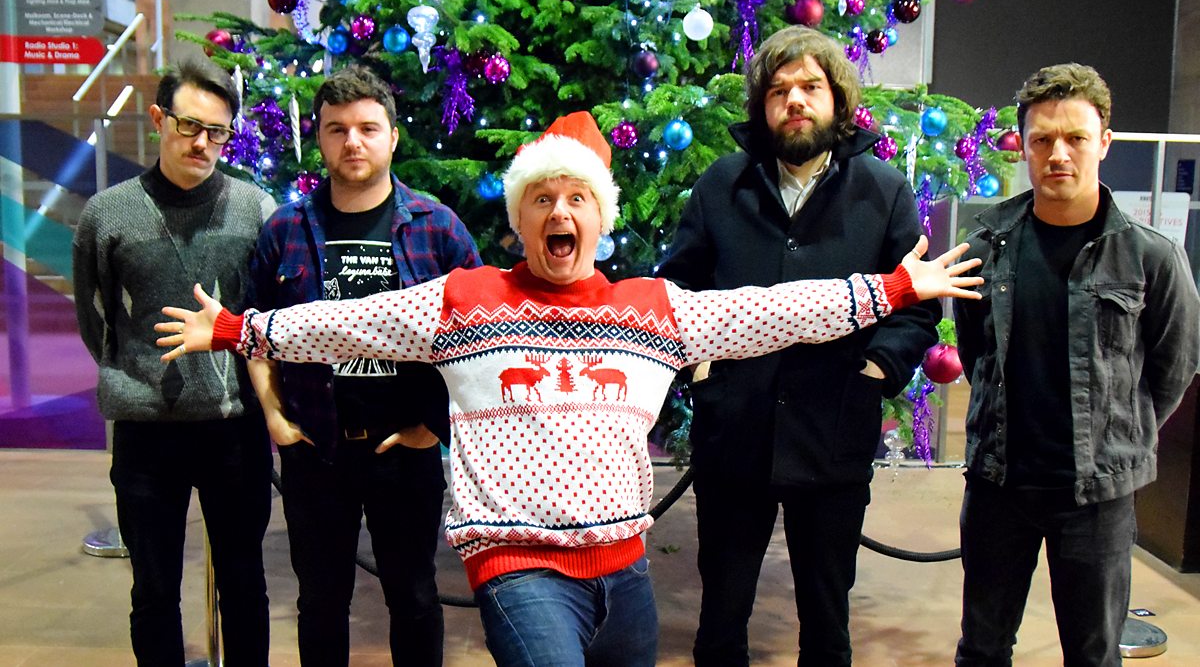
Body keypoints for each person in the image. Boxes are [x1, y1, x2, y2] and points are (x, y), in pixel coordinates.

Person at [156, 111, 982, 667]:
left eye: (577, 198)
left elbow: (770, 311)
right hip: (518, 566)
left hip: (625, 572)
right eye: (542, 199)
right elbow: (348, 322)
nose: (561, 211)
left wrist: (892, 290)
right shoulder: (466, 298)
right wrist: (237, 330)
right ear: (521, 220)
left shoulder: (652, 308)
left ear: (600, 219)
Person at [656, 25, 941, 666]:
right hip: (735, 434)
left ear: (837, 98)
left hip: (834, 432)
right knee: (721, 616)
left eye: (811, 86)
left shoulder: (883, 189)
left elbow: (918, 304)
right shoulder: (722, 185)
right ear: (763, 104)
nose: (795, 100)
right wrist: (699, 372)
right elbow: (675, 292)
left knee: (826, 620)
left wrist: (876, 370)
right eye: (779, 89)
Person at [952, 63, 1200, 666]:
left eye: (1075, 138)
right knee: (982, 648)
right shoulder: (986, 250)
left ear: (1104, 142)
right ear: (1023, 146)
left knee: (1092, 654)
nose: (1058, 154)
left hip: (1097, 496)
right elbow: (976, 353)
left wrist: (1122, 432)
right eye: (1042, 139)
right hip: (999, 485)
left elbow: (1174, 365)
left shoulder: (1151, 257)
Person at [244, 65, 481, 667]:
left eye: (368, 128)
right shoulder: (285, 228)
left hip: (405, 450)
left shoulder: (439, 229)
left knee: (416, 597)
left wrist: (433, 428)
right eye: (338, 129)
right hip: (314, 448)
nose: (353, 142)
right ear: (320, 139)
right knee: (320, 602)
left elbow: (480, 338)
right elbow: (255, 332)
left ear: (392, 137)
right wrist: (274, 417)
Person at [72, 58, 277, 666]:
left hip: (234, 427)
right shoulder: (108, 213)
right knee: (154, 589)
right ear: (159, 119)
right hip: (146, 431)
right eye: (190, 126)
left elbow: (271, 316)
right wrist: (132, 371)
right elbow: (93, 313)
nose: (202, 143)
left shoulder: (255, 208)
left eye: (218, 132)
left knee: (245, 583)